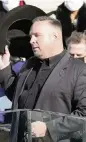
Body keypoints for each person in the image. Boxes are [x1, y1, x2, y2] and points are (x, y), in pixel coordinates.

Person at [0, 16, 86, 142]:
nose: (31, 40)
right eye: (31, 36)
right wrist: (4, 69)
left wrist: (49, 128)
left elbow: (84, 113)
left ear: (55, 36)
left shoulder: (79, 70)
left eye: (37, 35)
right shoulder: (29, 64)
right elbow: (17, 96)